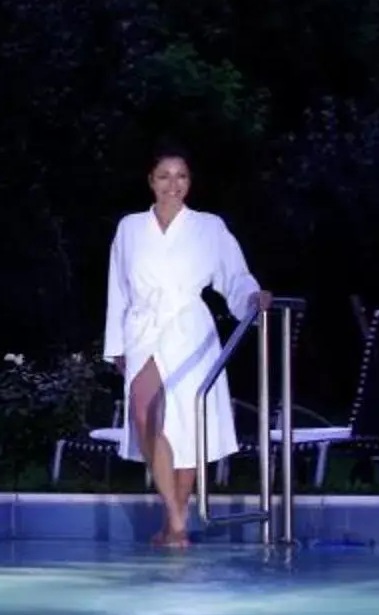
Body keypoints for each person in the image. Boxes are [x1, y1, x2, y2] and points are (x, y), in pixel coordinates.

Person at [105, 146, 265, 548]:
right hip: (143, 330)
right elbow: (117, 290)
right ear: (151, 181)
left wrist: (252, 296)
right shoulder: (129, 227)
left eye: (181, 176)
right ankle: (176, 518)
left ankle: (173, 525)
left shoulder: (209, 227)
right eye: (164, 176)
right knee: (145, 414)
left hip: (191, 332)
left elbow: (235, 276)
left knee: (186, 424)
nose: (173, 184)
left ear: (189, 182)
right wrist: (117, 345)